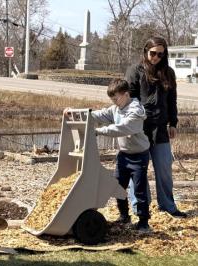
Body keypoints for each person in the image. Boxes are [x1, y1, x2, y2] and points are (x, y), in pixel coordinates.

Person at [66, 79, 151, 231]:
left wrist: (98, 131)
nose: (114, 102)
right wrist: (75, 113)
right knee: (117, 186)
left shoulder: (136, 111)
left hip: (139, 156)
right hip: (123, 155)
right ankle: (124, 217)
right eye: (112, 100)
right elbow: (98, 115)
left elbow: (122, 128)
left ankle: (144, 221)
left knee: (139, 189)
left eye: (116, 98)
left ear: (126, 94)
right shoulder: (116, 109)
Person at [125, 36, 187, 218]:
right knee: (138, 171)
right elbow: (129, 100)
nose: (156, 57)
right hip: (139, 129)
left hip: (160, 129)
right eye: (153, 53)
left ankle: (168, 205)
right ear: (146, 51)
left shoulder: (168, 72)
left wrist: (173, 122)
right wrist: (131, 124)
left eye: (161, 54)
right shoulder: (134, 71)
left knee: (164, 169)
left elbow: (172, 100)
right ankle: (139, 208)